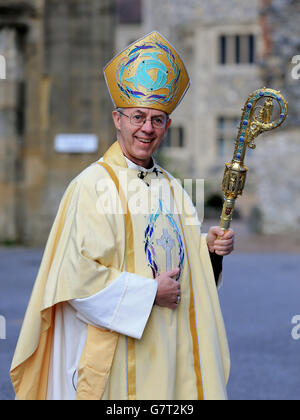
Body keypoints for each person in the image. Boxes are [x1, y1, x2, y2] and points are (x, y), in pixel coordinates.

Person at [10, 31, 234, 400]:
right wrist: (149, 293)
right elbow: (76, 278)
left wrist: (208, 250)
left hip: (170, 352)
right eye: (138, 117)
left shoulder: (175, 189)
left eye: (157, 120)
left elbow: (187, 269)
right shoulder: (91, 186)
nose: (147, 128)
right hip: (116, 356)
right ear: (117, 119)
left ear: (167, 127)